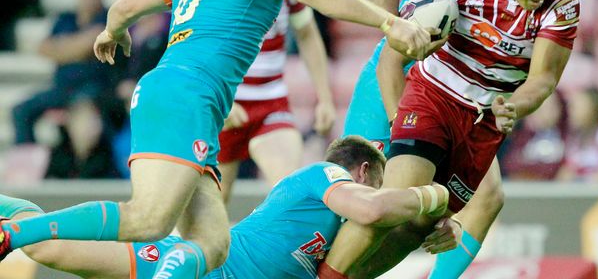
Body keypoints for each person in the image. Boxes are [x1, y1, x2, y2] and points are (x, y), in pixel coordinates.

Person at [0, 0, 432, 278]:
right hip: (189, 96)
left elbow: (126, 3)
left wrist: (115, 31)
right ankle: (13, 232)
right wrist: (387, 20)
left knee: (211, 244)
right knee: (146, 220)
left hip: (184, 98)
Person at [321, 0, 580, 279]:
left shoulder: (562, 3)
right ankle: (307, 268)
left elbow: (543, 78)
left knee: (423, 221)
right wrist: (395, 28)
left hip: (479, 113)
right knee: (383, 201)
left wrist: (515, 106)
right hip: (415, 84)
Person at [0, 136, 458, 278]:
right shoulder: (325, 177)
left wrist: (439, 228)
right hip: (205, 265)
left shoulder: (340, 234)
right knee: (47, 250)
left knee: (48, 251)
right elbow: (375, 212)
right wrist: (433, 197)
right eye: (379, 183)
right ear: (361, 173)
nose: (381, 192)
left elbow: (382, 239)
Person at [342, 0, 513, 278]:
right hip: (389, 90)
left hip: (450, 102)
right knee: (368, 206)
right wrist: (391, 28)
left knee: (488, 198)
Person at [218, 0, 335, 201]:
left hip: (271, 103)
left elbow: (307, 33)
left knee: (289, 194)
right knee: (214, 204)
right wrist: (218, 96)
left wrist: (325, 99)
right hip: (223, 106)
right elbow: (194, 42)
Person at [12, 0, 109, 145]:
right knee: (21, 111)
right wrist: (81, 45)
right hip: (63, 89)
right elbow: (44, 48)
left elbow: (95, 40)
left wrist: (62, 48)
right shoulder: (66, 18)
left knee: (83, 112)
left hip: (93, 90)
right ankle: (27, 162)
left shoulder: (108, 18)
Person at [557, 87, 598, 183]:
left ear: (593, 108)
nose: (571, 112)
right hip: (582, 190)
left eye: (576, 108)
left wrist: (586, 187)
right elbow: (567, 170)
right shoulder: (577, 136)